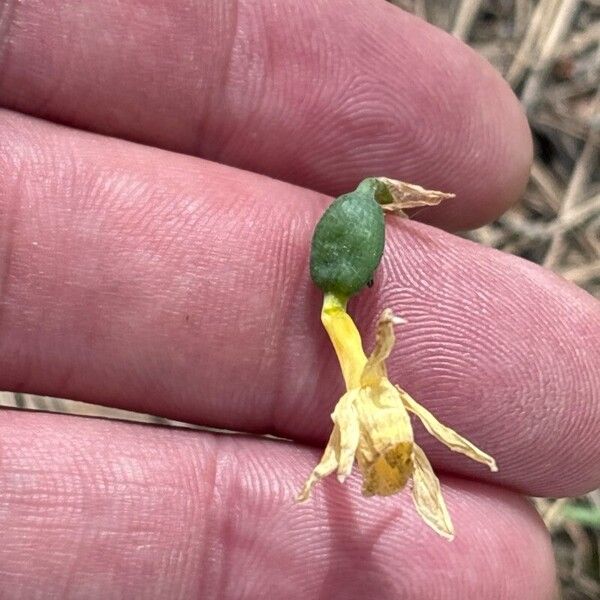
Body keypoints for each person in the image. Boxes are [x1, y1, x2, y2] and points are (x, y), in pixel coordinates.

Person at [0, 1, 598, 598]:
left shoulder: (351, 319)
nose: (375, 458)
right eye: (385, 449)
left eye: (374, 453)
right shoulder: (348, 318)